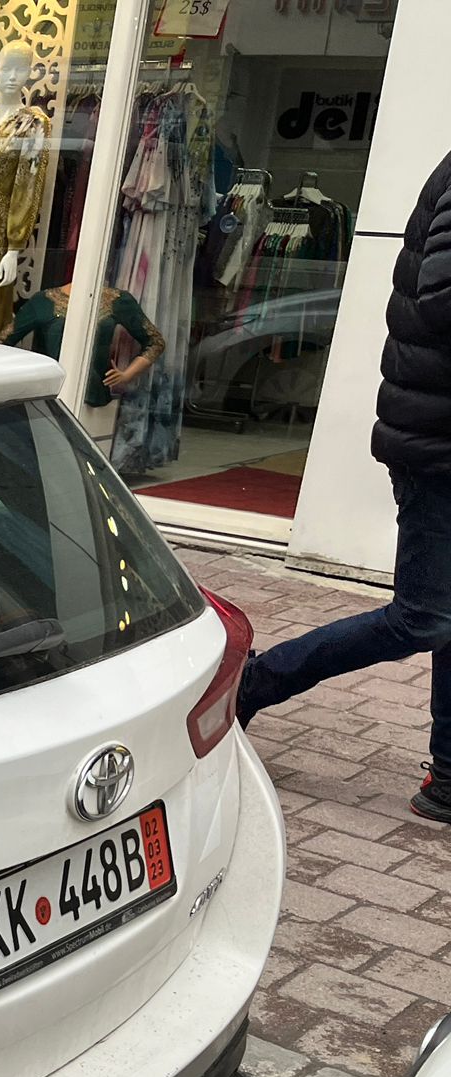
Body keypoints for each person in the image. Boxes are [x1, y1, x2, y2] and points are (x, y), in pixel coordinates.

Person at [237, 148, 451, 823]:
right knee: (425, 616)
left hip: (435, 433)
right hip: (437, 446)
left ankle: (449, 778)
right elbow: (444, 296)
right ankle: (248, 686)